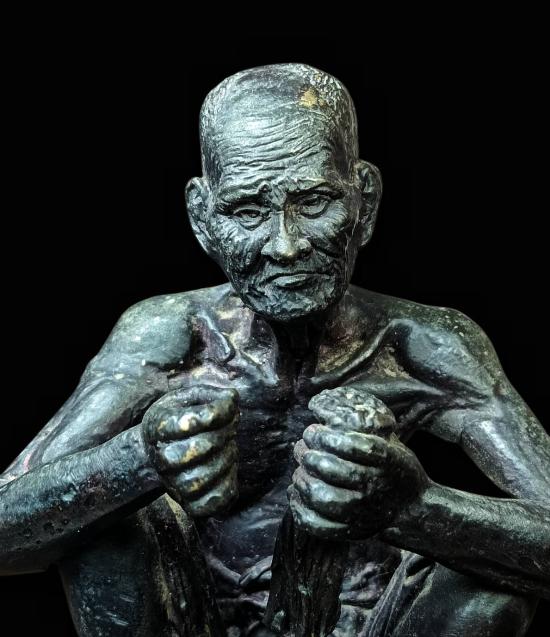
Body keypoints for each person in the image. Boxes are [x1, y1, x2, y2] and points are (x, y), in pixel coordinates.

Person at [1, 64, 548, 637]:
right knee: (103, 523)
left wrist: (418, 510)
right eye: (246, 212)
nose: (285, 246)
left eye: (313, 202)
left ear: (364, 202)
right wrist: (135, 461)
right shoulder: (168, 336)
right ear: (202, 218)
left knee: (492, 570)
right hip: (193, 623)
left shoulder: (424, 344)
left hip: (370, 626)